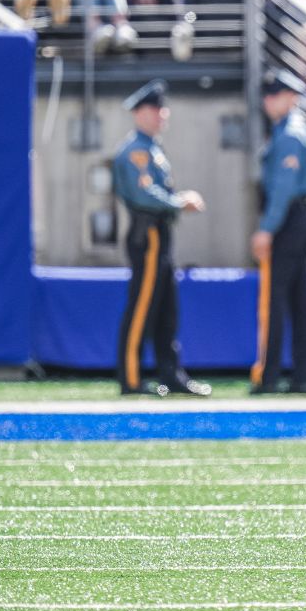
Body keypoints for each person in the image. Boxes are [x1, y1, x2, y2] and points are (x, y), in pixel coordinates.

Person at [111, 80, 211, 397]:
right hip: (148, 233)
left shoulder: (152, 147)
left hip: (161, 233)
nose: (162, 114)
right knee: (142, 307)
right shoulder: (136, 150)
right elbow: (144, 193)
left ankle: (171, 374)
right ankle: (130, 377)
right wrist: (179, 201)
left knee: (167, 309)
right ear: (140, 113)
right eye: (155, 109)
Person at [250, 71, 306, 395]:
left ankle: (270, 374)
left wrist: (266, 228)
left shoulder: (289, 134)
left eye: (273, 94)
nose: (267, 101)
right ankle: (301, 375)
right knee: (297, 300)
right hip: (298, 219)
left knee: (276, 299)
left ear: (286, 97)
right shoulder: (289, 130)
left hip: (289, 221)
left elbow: (282, 188)